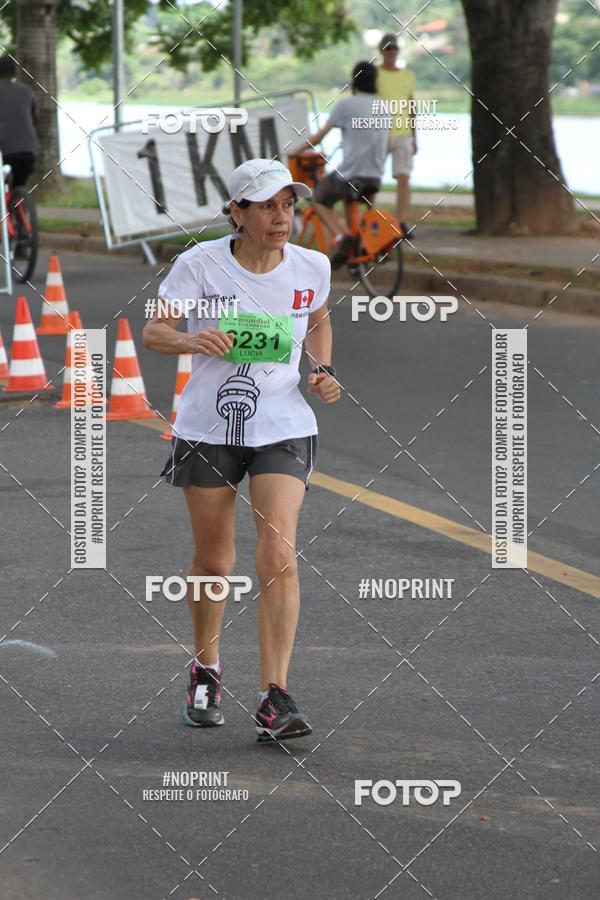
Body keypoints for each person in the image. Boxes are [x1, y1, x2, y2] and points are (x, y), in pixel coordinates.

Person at [143, 158, 341, 743]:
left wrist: (323, 369)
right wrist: (189, 337)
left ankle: (273, 695)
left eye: (288, 204)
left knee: (278, 552)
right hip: (209, 428)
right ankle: (205, 669)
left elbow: (318, 322)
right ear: (236, 212)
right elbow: (154, 330)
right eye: (266, 206)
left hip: (282, 423)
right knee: (215, 560)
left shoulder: (313, 265)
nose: (281, 217)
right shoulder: (198, 263)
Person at [292, 61, 389, 268]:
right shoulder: (385, 106)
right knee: (353, 203)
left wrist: (295, 152)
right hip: (376, 175)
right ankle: (360, 249)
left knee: (317, 198)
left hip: (351, 174)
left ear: (354, 82)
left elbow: (319, 137)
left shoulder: (346, 105)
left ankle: (343, 237)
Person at [377, 32, 417, 234]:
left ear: (398, 51)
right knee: (372, 177)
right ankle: (370, 220)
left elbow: (411, 105)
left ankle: (400, 223)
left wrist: (415, 136)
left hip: (403, 133)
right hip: (378, 133)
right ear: (381, 51)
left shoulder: (407, 75)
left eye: (394, 49)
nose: (391, 52)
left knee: (404, 177)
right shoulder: (373, 74)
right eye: (387, 48)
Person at [0, 55, 38, 188]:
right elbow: (35, 120)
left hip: (3, 152)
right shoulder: (27, 91)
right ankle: (18, 204)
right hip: (28, 152)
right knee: (18, 185)